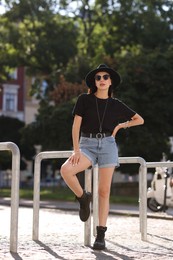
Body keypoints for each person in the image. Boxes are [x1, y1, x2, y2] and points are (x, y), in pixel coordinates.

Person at [60, 64, 144, 250]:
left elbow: (139, 119)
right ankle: (83, 198)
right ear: (95, 82)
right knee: (66, 170)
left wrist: (120, 126)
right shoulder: (84, 100)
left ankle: (101, 234)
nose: (102, 80)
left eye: (106, 77)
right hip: (86, 146)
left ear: (111, 81)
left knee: (104, 191)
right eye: (98, 78)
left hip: (107, 145)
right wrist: (76, 150)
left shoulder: (116, 104)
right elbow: (76, 126)